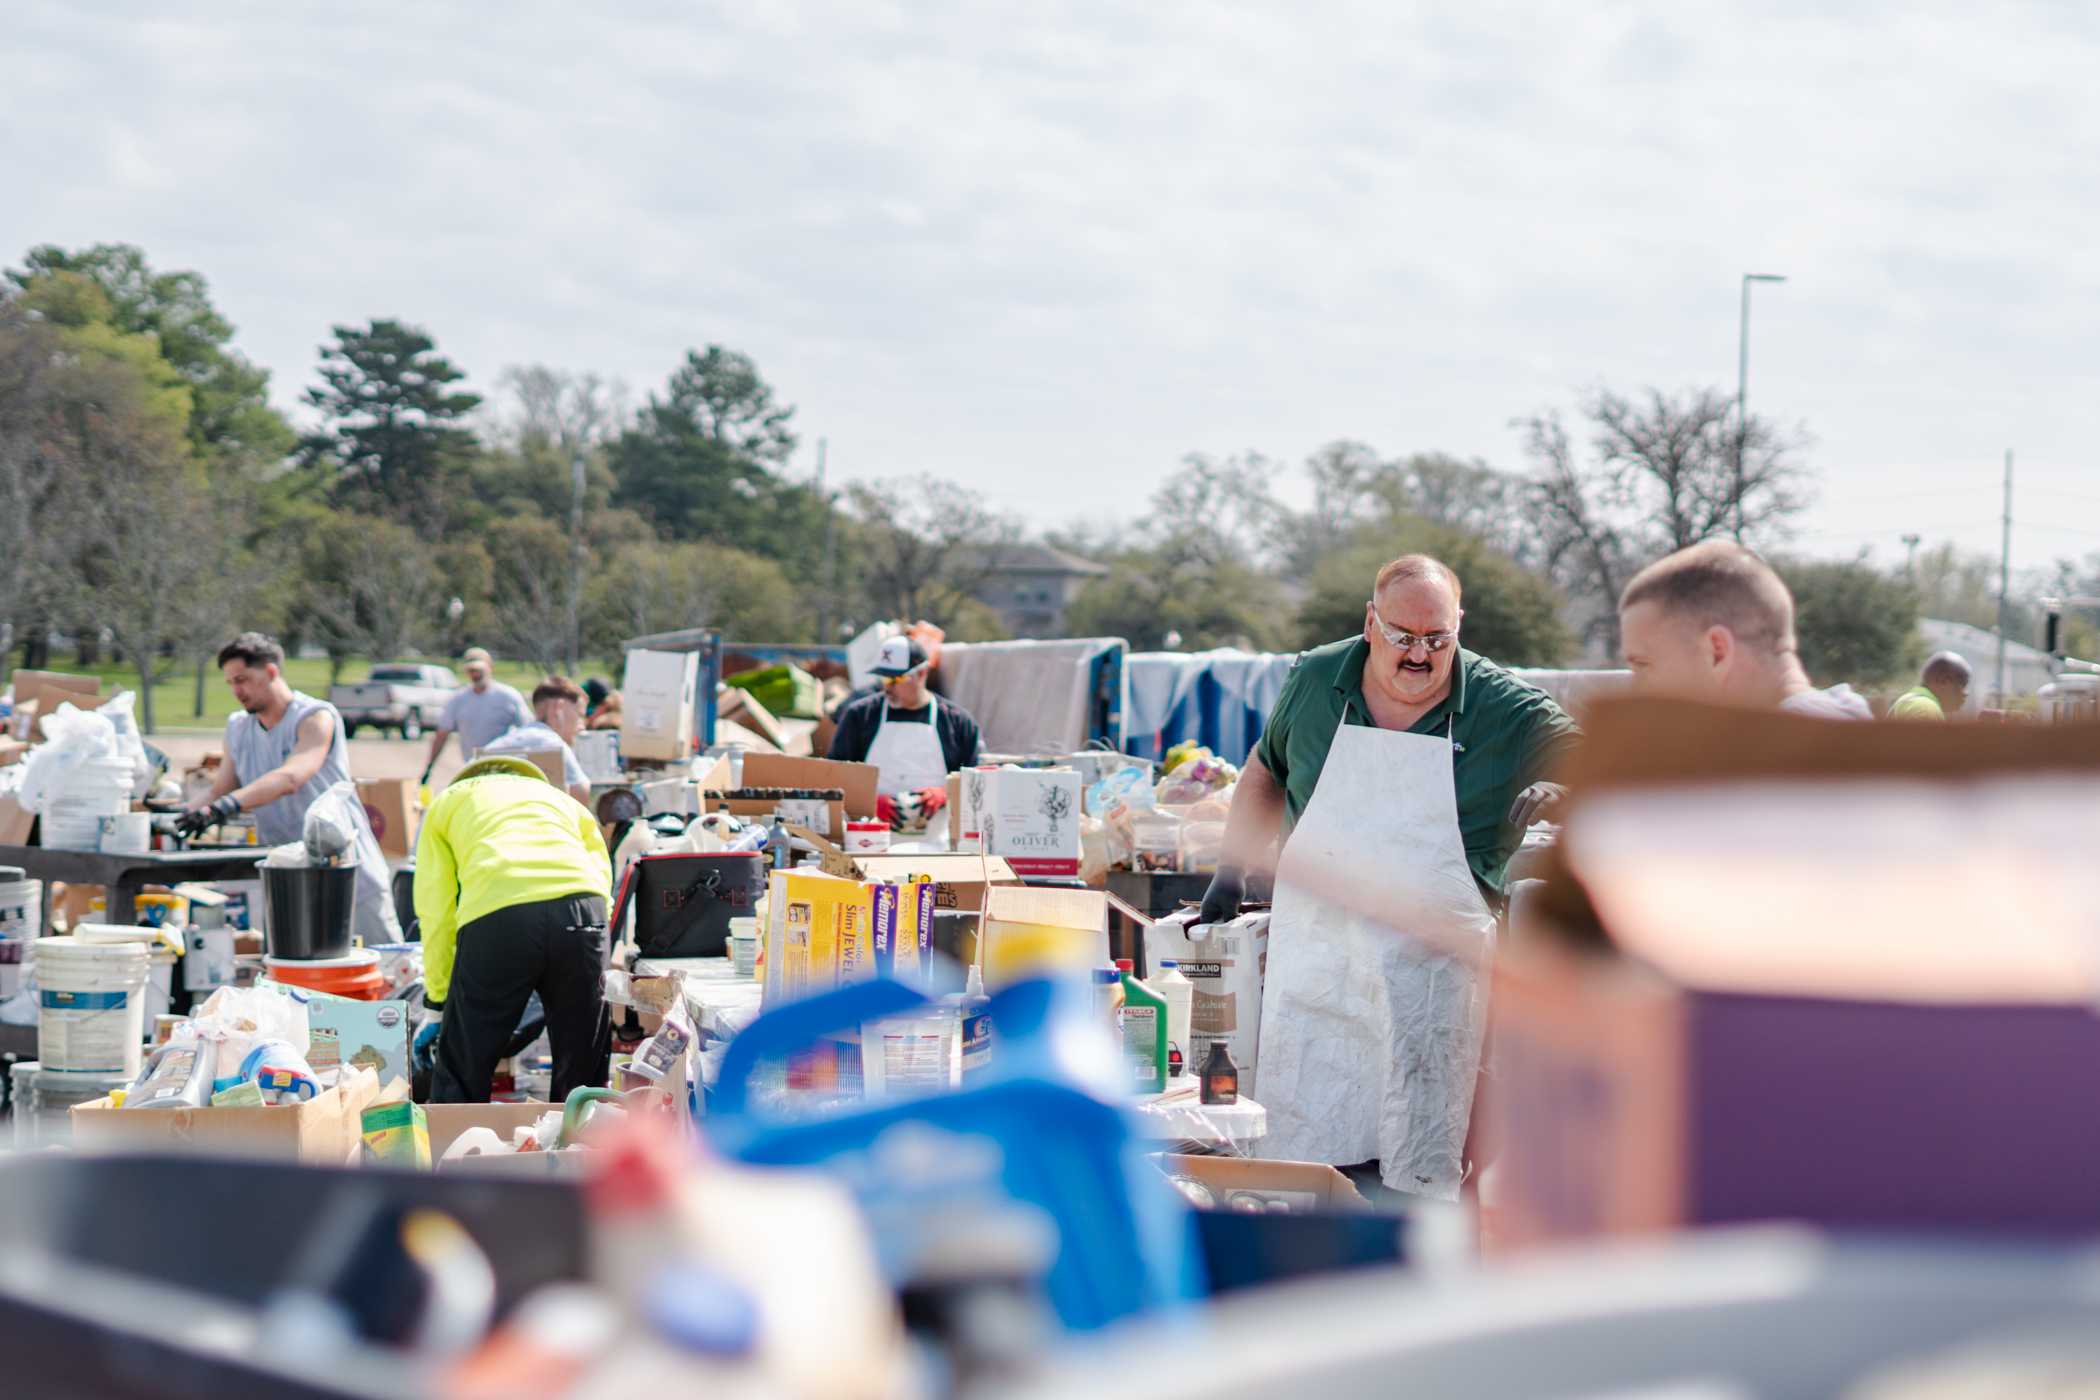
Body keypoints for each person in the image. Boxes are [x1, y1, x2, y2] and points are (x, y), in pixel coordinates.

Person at [1201, 555, 1582, 1201]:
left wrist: (1566, 788)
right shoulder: (1318, 677)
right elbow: (1267, 768)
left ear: (1459, 627)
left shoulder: (1505, 706)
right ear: (1371, 622)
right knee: (1306, 1143)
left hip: (1430, 971)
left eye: (1437, 639)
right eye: (1404, 636)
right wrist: (1232, 867)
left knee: (1418, 1160)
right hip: (1318, 956)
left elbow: (1601, 767)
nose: (1419, 655)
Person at [416, 754, 613, 1104]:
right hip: (584, 911)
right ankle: (579, 1150)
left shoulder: (448, 802)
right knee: (584, 1061)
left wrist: (437, 1001)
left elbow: (436, 911)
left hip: (500, 912)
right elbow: (601, 873)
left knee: (465, 1061)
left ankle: (457, 1149)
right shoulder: (562, 801)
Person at [179, 632, 399, 942]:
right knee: (294, 981)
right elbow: (219, 789)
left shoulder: (315, 717)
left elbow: (291, 777)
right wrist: (178, 816)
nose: (236, 691)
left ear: (270, 671)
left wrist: (226, 806)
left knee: (385, 975)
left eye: (242, 679)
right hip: (289, 882)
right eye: (230, 683)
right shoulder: (238, 727)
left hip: (348, 874)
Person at [1617, 541, 1873, 718]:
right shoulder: (1840, 728)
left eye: (1643, 664)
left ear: (1716, 652)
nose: (1636, 689)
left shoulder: (1783, 754)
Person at [826, 636, 984, 827]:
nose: (888, 686)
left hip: (938, 844)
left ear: (922, 673)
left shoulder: (958, 723)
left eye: (897, 678)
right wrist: (870, 802)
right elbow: (835, 777)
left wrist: (945, 793)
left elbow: (976, 782)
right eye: (884, 678)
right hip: (870, 837)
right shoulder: (859, 716)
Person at [420, 648, 531, 786]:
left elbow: (528, 730)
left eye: (479, 671)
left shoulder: (508, 696)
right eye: (471, 671)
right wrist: (429, 767)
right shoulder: (458, 699)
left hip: (505, 768)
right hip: (472, 768)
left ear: (490, 667)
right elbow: (442, 734)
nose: (475, 675)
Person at [480, 675, 594, 805]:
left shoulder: (507, 740)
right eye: (579, 715)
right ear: (558, 709)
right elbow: (582, 795)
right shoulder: (550, 742)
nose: (582, 725)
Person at [1888, 651, 1971, 720]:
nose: (1966, 693)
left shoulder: (1911, 700)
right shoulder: (1926, 709)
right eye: (1963, 685)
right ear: (1944, 682)